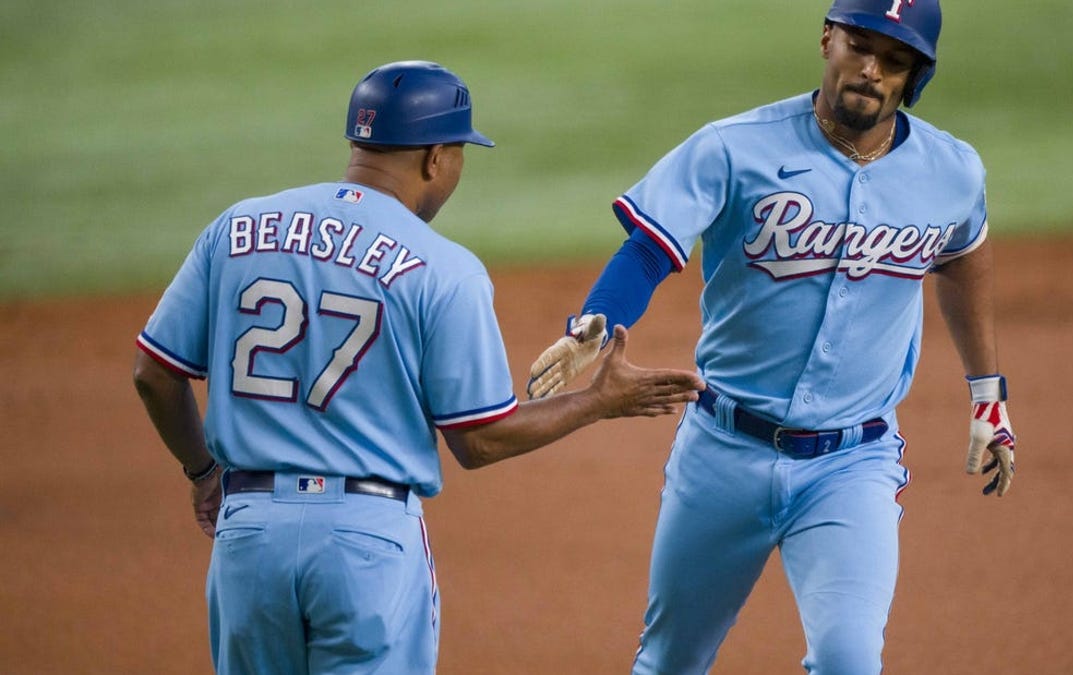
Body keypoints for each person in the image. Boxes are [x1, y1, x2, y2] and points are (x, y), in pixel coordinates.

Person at [132, 60, 704, 675]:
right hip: (363, 545)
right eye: (459, 152)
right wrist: (597, 401)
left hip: (247, 537)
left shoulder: (238, 226)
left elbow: (154, 374)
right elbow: (479, 440)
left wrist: (202, 472)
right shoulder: (443, 267)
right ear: (435, 158)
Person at [525, 1, 1018, 672]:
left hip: (854, 462)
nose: (871, 70)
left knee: (849, 658)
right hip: (723, 453)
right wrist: (593, 323)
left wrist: (988, 395)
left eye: (894, 60)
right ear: (827, 39)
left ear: (914, 76)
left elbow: (964, 252)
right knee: (671, 659)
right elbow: (649, 249)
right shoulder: (735, 146)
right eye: (859, 46)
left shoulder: (950, 171)